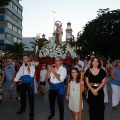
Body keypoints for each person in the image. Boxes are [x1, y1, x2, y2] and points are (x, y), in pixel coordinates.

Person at [11, 54, 35, 120]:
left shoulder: (32, 66)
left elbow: (32, 75)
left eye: (26, 58)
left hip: (30, 84)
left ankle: (31, 114)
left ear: (28, 59)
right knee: (22, 97)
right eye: (23, 58)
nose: (25, 59)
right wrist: (13, 83)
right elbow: (18, 75)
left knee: (31, 99)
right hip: (23, 84)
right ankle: (22, 109)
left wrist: (28, 68)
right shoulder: (22, 67)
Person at [46, 56, 67, 120]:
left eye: (57, 60)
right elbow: (47, 77)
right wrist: (50, 70)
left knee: (60, 103)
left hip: (59, 88)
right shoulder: (53, 68)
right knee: (51, 102)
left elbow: (60, 79)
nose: (56, 62)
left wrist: (54, 72)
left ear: (61, 62)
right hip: (52, 87)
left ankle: (61, 117)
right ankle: (52, 113)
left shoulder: (63, 69)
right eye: (55, 60)